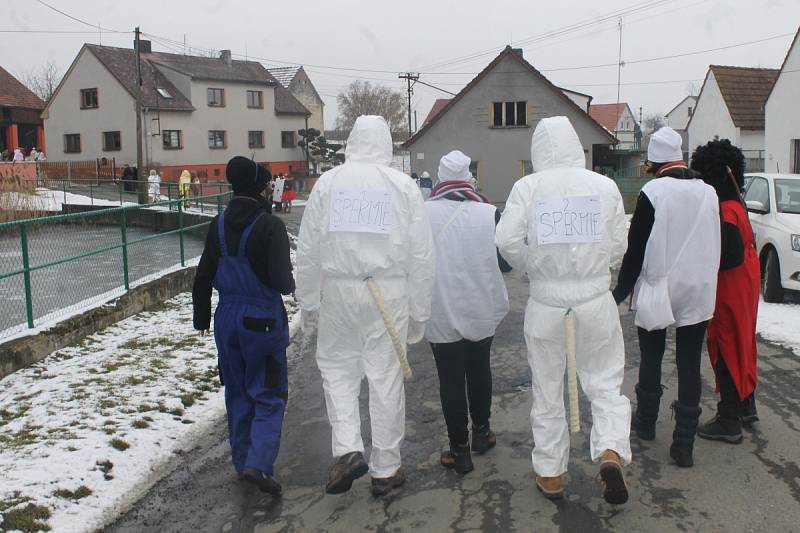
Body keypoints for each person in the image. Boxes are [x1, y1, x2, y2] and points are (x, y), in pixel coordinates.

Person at [296, 115, 435, 497]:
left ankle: (347, 448)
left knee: (338, 368)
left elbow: (307, 249)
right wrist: (420, 310)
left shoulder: (329, 183)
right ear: (387, 144)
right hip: (388, 293)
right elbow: (422, 254)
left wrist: (308, 302)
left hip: (339, 289)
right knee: (384, 376)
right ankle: (386, 468)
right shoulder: (403, 186)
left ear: (352, 142)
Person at [496, 116, 631, 504]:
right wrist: (597, 263)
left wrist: (531, 263)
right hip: (593, 299)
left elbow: (505, 239)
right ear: (576, 146)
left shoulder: (528, 187)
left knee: (548, 388)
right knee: (604, 382)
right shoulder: (604, 187)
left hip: (546, 304)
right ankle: (609, 449)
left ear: (538, 150)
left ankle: (551, 472)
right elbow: (619, 243)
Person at [612, 126, 721, 468]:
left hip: (660, 285)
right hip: (699, 287)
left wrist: (619, 292)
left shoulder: (653, 192)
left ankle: (645, 425)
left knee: (652, 356)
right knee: (689, 363)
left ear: (653, 163)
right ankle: (684, 446)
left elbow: (636, 251)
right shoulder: (709, 192)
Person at [192, 156, 294, 495]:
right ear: (259, 188)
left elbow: (203, 274)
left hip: (226, 321)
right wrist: (290, 283)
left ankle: (242, 462)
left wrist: (201, 317)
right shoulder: (270, 226)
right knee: (268, 392)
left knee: (237, 391)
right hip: (261, 321)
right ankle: (259, 465)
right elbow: (282, 282)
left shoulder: (217, 225)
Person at [425, 150, 509, 475]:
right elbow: (506, 262)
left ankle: (459, 451)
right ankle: (483, 433)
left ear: (439, 177)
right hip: (480, 307)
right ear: (469, 176)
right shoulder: (489, 212)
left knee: (450, 379)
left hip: (441, 307)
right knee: (478, 369)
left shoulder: (422, 212)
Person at [690, 139, 760, 442]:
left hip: (729, 290)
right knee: (742, 345)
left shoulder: (725, 211)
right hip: (744, 285)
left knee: (727, 347)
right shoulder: (736, 204)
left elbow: (728, 256)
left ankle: (728, 419)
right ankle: (745, 405)